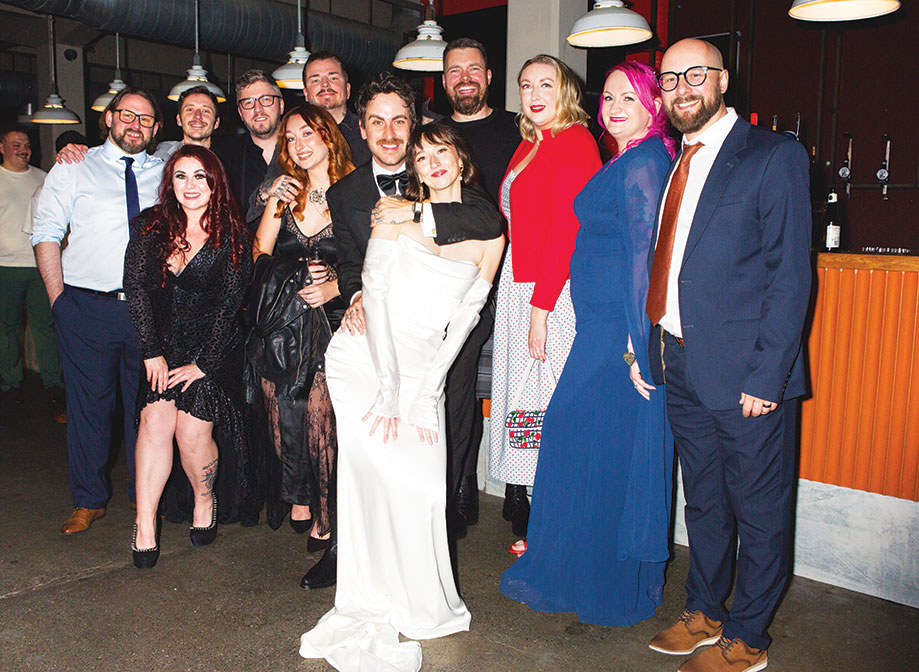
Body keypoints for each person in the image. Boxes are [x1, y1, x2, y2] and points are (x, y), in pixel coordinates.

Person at [299, 121, 504, 672]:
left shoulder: (488, 230)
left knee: (418, 487)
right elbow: (380, 298)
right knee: (374, 481)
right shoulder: (391, 213)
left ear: (461, 160)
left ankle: (419, 598)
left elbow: (466, 316)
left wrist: (423, 387)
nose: (431, 162)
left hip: (422, 367)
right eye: (422, 156)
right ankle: (369, 591)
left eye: (441, 152)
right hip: (367, 360)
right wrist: (390, 385)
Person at [643, 39, 811, 672]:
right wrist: (653, 341)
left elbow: (790, 276)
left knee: (760, 510)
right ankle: (707, 611)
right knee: (705, 500)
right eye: (669, 79)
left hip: (748, 374)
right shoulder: (675, 162)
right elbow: (672, 267)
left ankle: (748, 636)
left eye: (695, 74)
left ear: (722, 78)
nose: (681, 88)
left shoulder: (773, 156)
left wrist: (769, 375)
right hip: (682, 362)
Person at [500, 61, 676, 625]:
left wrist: (634, 344)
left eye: (631, 97)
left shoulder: (646, 162)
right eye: (611, 98)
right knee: (584, 445)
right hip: (598, 324)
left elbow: (642, 261)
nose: (617, 107)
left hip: (614, 333)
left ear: (654, 104)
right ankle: (579, 564)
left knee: (597, 447)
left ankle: (602, 577)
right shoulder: (627, 157)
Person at [32, 88, 164, 535]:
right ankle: (88, 499)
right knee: (89, 408)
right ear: (108, 118)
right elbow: (47, 230)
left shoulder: (166, 172)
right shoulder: (74, 165)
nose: (135, 124)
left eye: (145, 119)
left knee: (143, 409)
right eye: (127, 115)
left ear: (156, 128)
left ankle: (140, 494)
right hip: (87, 306)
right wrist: (59, 300)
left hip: (148, 308)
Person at [488, 54, 601, 545]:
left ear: (565, 90)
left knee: (547, 399)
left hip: (550, 289)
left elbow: (568, 231)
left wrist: (541, 308)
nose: (534, 94)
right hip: (521, 282)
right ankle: (528, 500)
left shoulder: (575, 141)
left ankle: (556, 514)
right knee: (523, 398)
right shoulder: (531, 141)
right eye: (526, 84)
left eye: (545, 84)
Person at [123, 145, 253, 568]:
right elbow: (138, 290)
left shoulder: (232, 232)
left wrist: (203, 364)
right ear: (169, 182)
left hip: (212, 347)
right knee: (154, 421)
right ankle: (145, 525)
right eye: (181, 176)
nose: (190, 186)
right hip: (162, 346)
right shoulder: (150, 226)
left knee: (192, 435)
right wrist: (152, 353)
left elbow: (230, 303)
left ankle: (204, 497)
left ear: (215, 182)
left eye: (200, 176)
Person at [248, 103, 354, 546]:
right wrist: (291, 281)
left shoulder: (355, 191)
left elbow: (376, 261)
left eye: (306, 134)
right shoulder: (284, 195)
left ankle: (327, 513)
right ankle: (300, 493)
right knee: (280, 415)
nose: (298, 145)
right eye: (290, 138)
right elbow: (258, 256)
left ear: (328, 135)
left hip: (335, 321)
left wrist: (336, 288)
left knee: (319, 417)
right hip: (287, 325)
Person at [439, 37, 520, 538]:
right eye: (454, 70)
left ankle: (516, 486)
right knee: (454, 383)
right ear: (444, 80)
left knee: (516, 382)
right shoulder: (432, 134)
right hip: (446, 278)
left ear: (489, 76)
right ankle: (461, 484)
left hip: (510, 277)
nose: (464, 77)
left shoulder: (519, 126)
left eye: (474, 68)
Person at [248, 51, 370, 221]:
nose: (325, 85)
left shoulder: (368, 131)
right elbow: (262, 196)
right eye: (316, 80)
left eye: (333, 78)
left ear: (348, 89)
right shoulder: (291, 137)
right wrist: (266, 191)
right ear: (306, 93)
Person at [0, 127, 63, 407]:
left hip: (40, 267)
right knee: (7, 329)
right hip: (5, 267)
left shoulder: (43, 178)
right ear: (2, 148)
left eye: (26, 145)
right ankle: (10, 384)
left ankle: (54, 384)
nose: (23, 149)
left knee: (46, 327)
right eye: (16, 144)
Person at [55, 85, 221, 165]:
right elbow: (123, 150)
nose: (197, 117)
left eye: (206, 111)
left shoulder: (231, 160)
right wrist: (75, 153)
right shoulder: (157, 155)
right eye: (190, 109)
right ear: (178, 119)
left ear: (217, 122)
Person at [212, 70, 285, 217]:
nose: (258, 109)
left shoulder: (304, 149)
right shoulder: (224, 156)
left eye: (266, 99)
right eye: (248, 103)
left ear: (281, 105)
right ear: (240, 112)